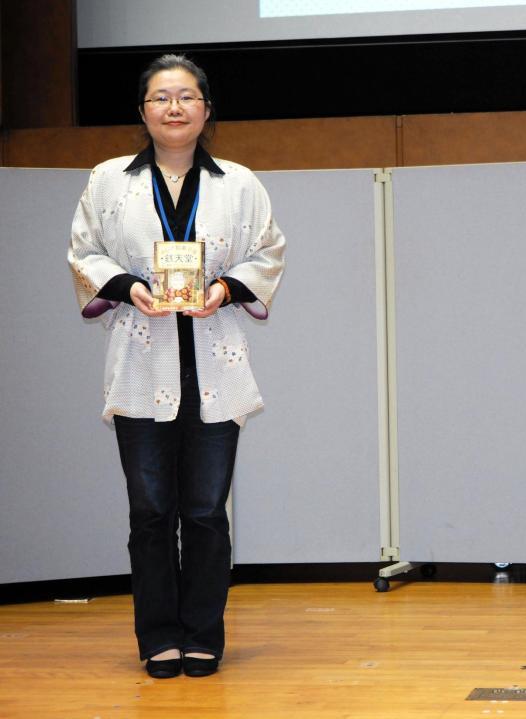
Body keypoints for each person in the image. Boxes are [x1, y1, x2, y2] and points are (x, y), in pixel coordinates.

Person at [68, 54, 285, 679]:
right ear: (143, 111)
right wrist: (127, 285)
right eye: (161, 97)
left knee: (207, 512)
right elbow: (84, 247)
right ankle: (159, 636)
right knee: (151, 511)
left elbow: (269, 249)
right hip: (141, 360)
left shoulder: (239, 183)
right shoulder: (109, 179)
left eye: (186, 97)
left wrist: (225, 290)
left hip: (214, 362)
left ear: (206, 110)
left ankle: (203, 636)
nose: (173, 107)